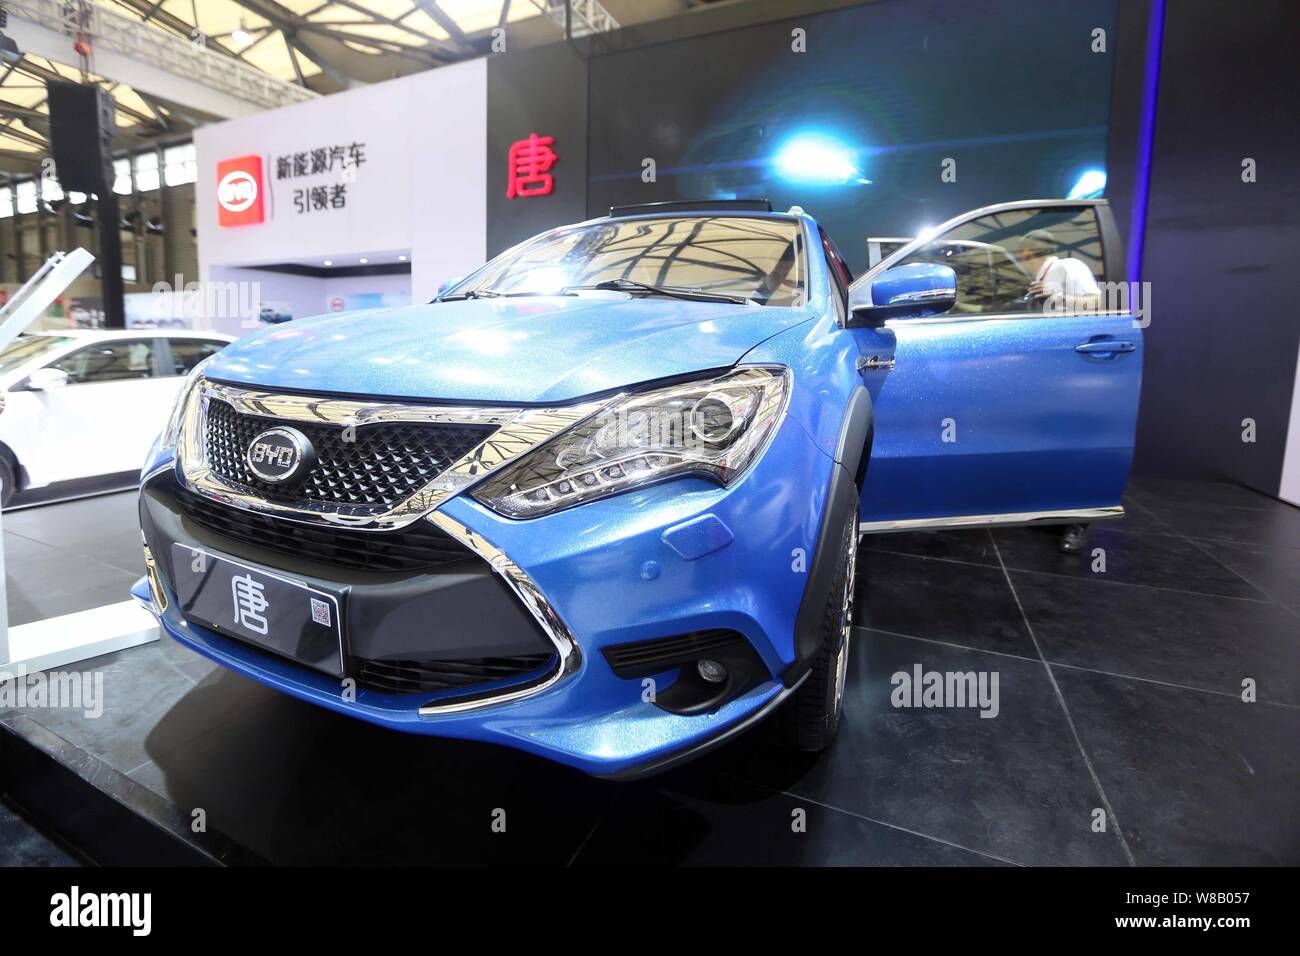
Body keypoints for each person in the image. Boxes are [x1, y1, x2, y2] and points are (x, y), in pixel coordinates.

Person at [1016, 229, 1103, 314]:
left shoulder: (1069, 265)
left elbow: (1097, 301)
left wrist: (1058, 299)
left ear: (1025, 253)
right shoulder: (1041, 277)